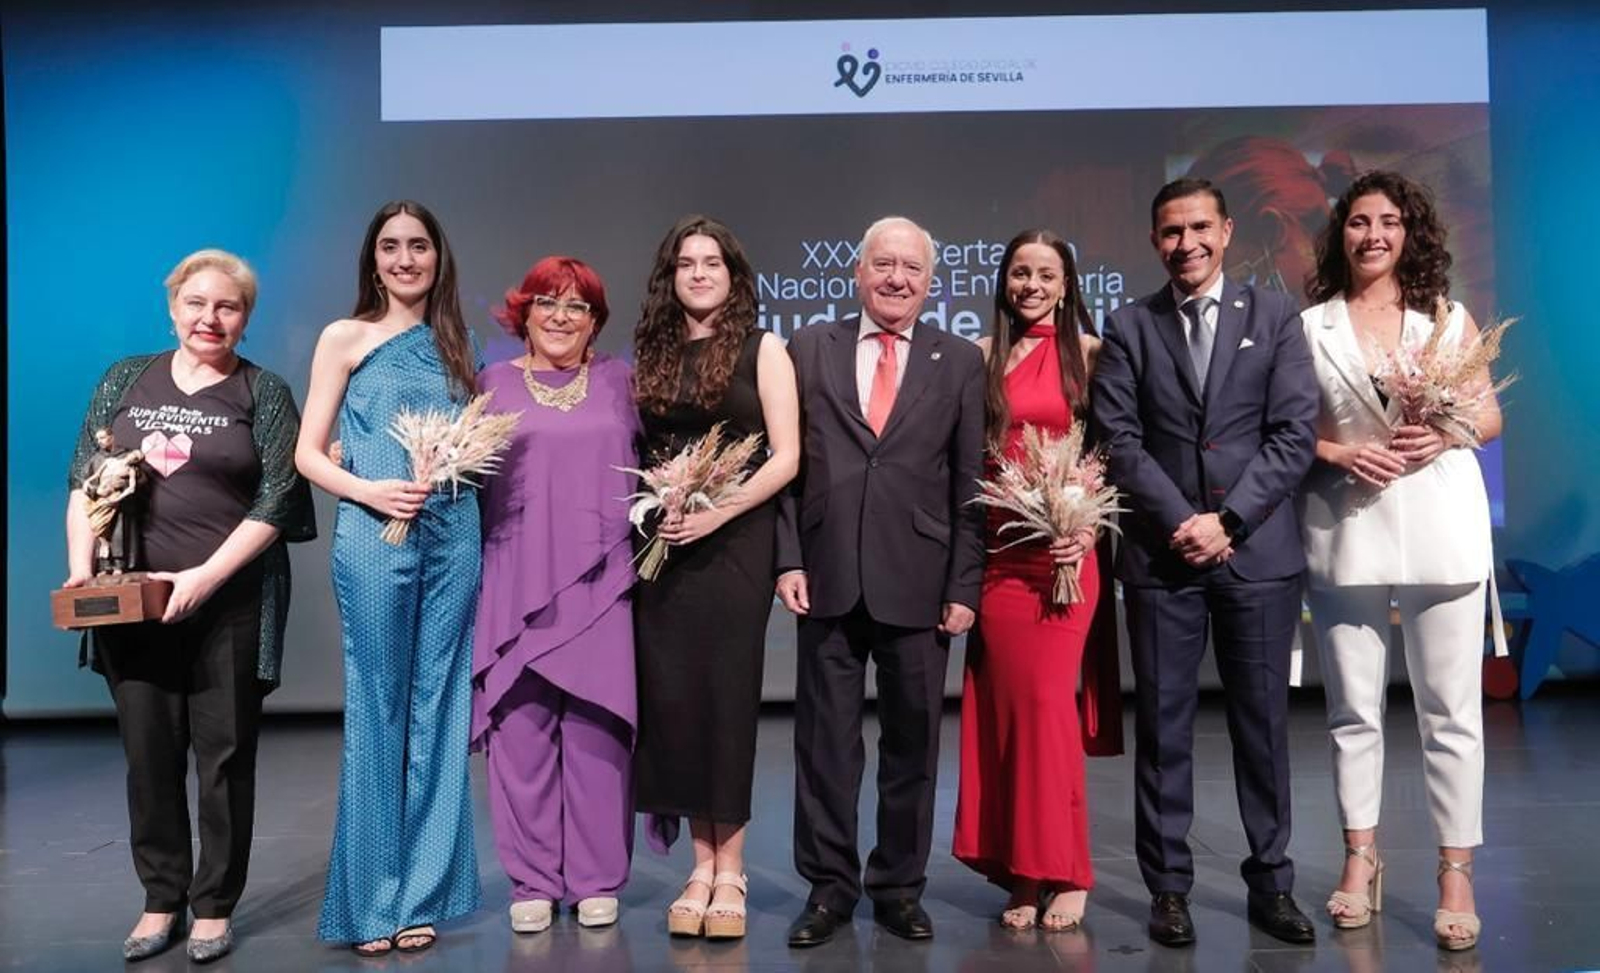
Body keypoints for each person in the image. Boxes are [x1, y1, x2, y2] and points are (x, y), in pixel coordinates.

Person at [62, 248, 315, 963]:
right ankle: (160, 897)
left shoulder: (263, 392)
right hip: (132, 604)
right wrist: (82, 571)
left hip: (228, 602)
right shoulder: (125, 379)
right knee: (149, 758)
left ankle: (214, 905)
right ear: (173, 308)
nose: (210, 318)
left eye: (227, 306)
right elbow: (85, 479)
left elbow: (279, 500)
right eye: (196, 303)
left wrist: (203, 577)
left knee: (224, 760)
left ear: (245, 317)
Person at [1090, 178, 1319, 947]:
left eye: (1197, 228)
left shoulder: (1276, 315)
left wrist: (1229, 520)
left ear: (1225, 232)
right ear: (1155, 240)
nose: (1184, 243)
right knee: (1164, 730)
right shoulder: (1130, 324)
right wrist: (1182, 521)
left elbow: (1293, 432)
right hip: (1163, 557)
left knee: (1263, 727)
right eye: (1169, 231)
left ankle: (1272, 883)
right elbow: (1119, 439)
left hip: (1256, 553)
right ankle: (1168, 889)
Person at [1300, 171, 1501, 951]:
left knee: (1450, 711)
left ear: (1410, 232)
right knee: (1353, 709)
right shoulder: (1310, 325)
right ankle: (1360, 857)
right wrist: (1336, 451)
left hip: (1442, 525)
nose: (1373, 235)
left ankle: (1456, 870)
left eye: (1387, 221)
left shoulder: (1447, 319)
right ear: (1341, 233)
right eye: (1359, 221)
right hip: (1346, 524)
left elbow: (1488, 413)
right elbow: (1289, 426)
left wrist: (1444, 434)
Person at [775, 216, 985, 947]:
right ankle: (828, 889)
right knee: (824, 747)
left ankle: (898, 887)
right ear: (858, 272)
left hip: (921, 580)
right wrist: (788, 558)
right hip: (827, 573)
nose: (897, 279)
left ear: (931, 283)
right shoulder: (810, 347)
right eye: (884, 264)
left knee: (912, 747)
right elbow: (786, 467)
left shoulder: (960, 360)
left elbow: (970, 482)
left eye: (912, 268)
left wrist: (964, 586)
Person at [296, 200, 482, 956]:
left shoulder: (458, 343)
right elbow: (308, 453)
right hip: (375, 535)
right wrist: (369, 490)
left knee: (441, 706)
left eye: (419, 246)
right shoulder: (345, 336)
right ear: (373, 261)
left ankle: (422, 895)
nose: (406, 259)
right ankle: (371, 899)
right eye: (391, 247)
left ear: (439, 257)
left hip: (454, 533)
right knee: (379, 706)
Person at [631, 216, 800, 940]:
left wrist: (716, 511)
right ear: (669, 277)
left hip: (735, 545)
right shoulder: (652, 352)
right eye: (686, 263)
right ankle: (698, 867)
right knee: (677, 706)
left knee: (725, 702)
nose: (699, 274)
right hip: (665, 547)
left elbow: (786, 456)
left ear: (733, 276)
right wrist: (664, 506)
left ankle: (732, 868)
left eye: (712, 263)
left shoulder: (764, 349)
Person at [952, 229, 1123, 931]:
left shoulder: (1090, 354)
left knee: (1049, 712)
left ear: (1066, 283)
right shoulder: (981, 357)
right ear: (1004, 281)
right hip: (1000, 559)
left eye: (1045, 274)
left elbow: (1112, 453)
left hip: (1064, 557)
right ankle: (1023, 871)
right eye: (1020, 272)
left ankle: (1069, 870)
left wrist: (1088, 526)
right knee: (1007, 715)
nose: (1031, 285)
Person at [471, 256, 640, 935]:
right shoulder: (491, 384)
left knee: (599, 734)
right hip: (516, 579)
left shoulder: (622, 380)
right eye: (547, 302)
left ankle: (597, 878)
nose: (561, 317)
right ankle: (534, 880)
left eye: (578, 305)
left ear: (596, 320)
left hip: (605, 581)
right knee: (520, 735)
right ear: (524, 311)